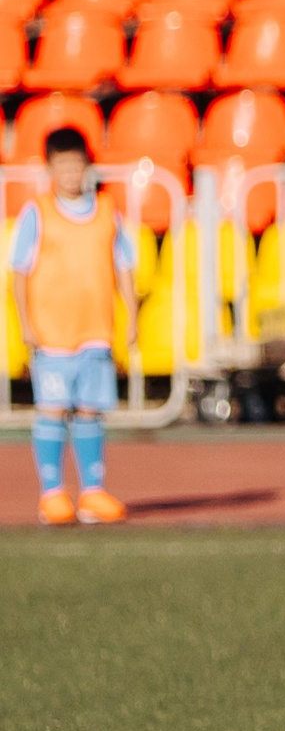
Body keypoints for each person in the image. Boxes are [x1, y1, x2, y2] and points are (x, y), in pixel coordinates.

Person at [10, 127, 135, 526]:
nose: (70, 174)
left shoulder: (106, 211)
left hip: (95, 328)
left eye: (76, 165)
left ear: (87, 166)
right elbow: (19, 272)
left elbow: (124, 266)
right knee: (52, 409)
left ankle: (92, 492)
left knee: (89, 410)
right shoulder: (38, 212)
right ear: (49, 169)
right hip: (52, 332)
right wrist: (26, 322)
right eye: (62, 166)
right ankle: (52, 494)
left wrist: (130, 316)